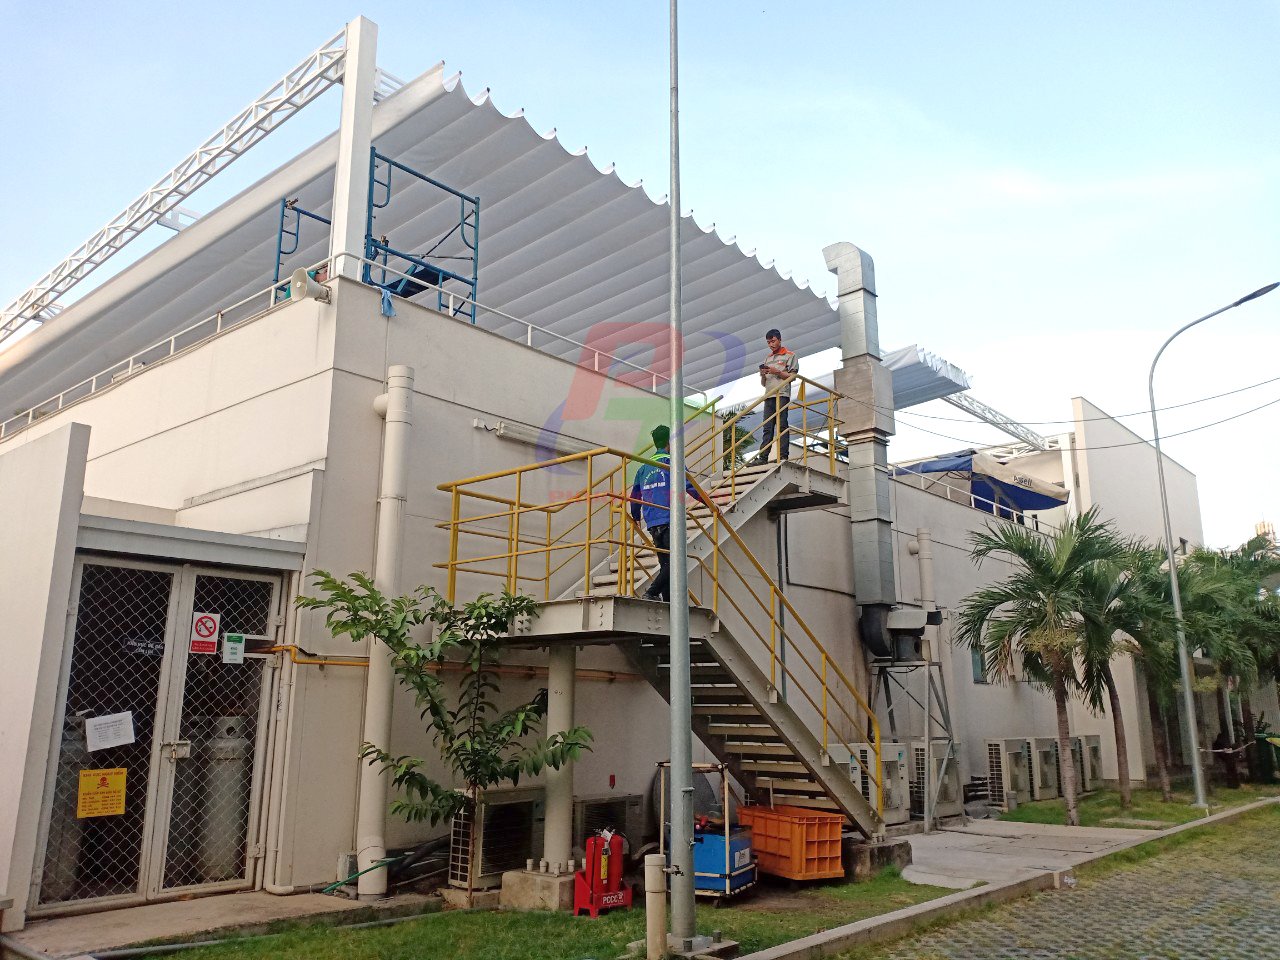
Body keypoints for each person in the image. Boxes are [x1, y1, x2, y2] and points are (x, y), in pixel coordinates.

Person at [628, 425, 708, 602]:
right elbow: (691, 487)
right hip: (669, 519)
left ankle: (668, 601)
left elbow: (634, 496)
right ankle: (652, 592)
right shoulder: (673, 463)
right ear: (669, 443)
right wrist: (710, 504)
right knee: (675, 562)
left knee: (666, 564)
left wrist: (636, 516)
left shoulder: (644, 467)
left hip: (652, 522)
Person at [755, 328, 799, 462]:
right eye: (768, 342)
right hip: (769, 395)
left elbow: (793, 377)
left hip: (782, 394)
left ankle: (783, 456)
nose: (771, 345)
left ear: (779, 340)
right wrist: (763, 375)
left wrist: (777, 372)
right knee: (767, 428)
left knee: (781, 425)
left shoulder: (790, 355)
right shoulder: (767, 358)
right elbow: (764, 383)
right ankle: (763, 457)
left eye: (773, 341)